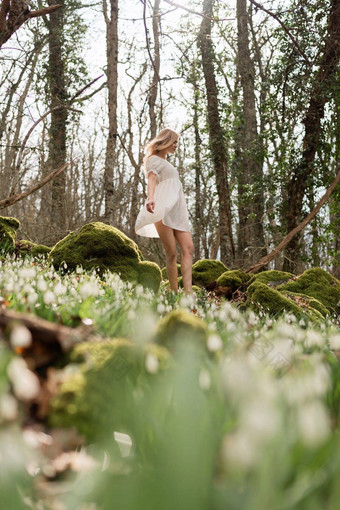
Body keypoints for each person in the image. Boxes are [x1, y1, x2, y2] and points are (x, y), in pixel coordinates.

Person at [135, 128, 193, 294]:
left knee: (188, 248)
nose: (176, 145)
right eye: (174, 142)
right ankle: (174, 293)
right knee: (172, 253)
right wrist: (150, 198)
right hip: (162, 209)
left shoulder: (168, 163)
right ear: (166, 141)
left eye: (177, 142)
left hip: (177, 210)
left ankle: (188, 293)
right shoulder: (153, 160)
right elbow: (152, 179)